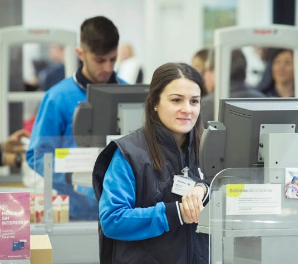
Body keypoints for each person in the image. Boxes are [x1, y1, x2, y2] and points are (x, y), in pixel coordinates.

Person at [93, 62, 209, 264]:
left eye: (194, 101)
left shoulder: (208, 149)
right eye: (176, 100)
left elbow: (227, 190)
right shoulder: (128, 153)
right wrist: (176, 212)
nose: (187, 109)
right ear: (155, 102)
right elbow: (113, 219)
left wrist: (204, 189)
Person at [26, 16, 127, 220]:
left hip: (122, 211)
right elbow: (36, 155)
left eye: (112, 59)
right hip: (74, 212)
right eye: (99, 60)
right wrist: (73, 176)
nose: (107, 67)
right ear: (81, 53)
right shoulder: (57, 97)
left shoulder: (129, 93)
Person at [201, 48, 265, 126]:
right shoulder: (264, 102)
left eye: (207, 70)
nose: (204, 76)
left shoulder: (205, 106)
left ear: (217, 71)